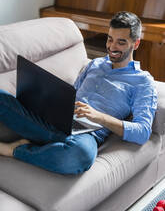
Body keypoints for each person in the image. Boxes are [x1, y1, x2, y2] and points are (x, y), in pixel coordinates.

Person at [0, 11, 157, 175]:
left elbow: (142, 131)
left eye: (121, 42)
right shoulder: (95, 64)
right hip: (59, 119)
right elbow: (72, 93)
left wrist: (98, 116)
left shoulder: (142, 82)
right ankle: (51, 141)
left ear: (136, 43)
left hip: (87, 135)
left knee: (79, 155)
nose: (112, 47)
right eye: (110, 39)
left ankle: (15, 150)